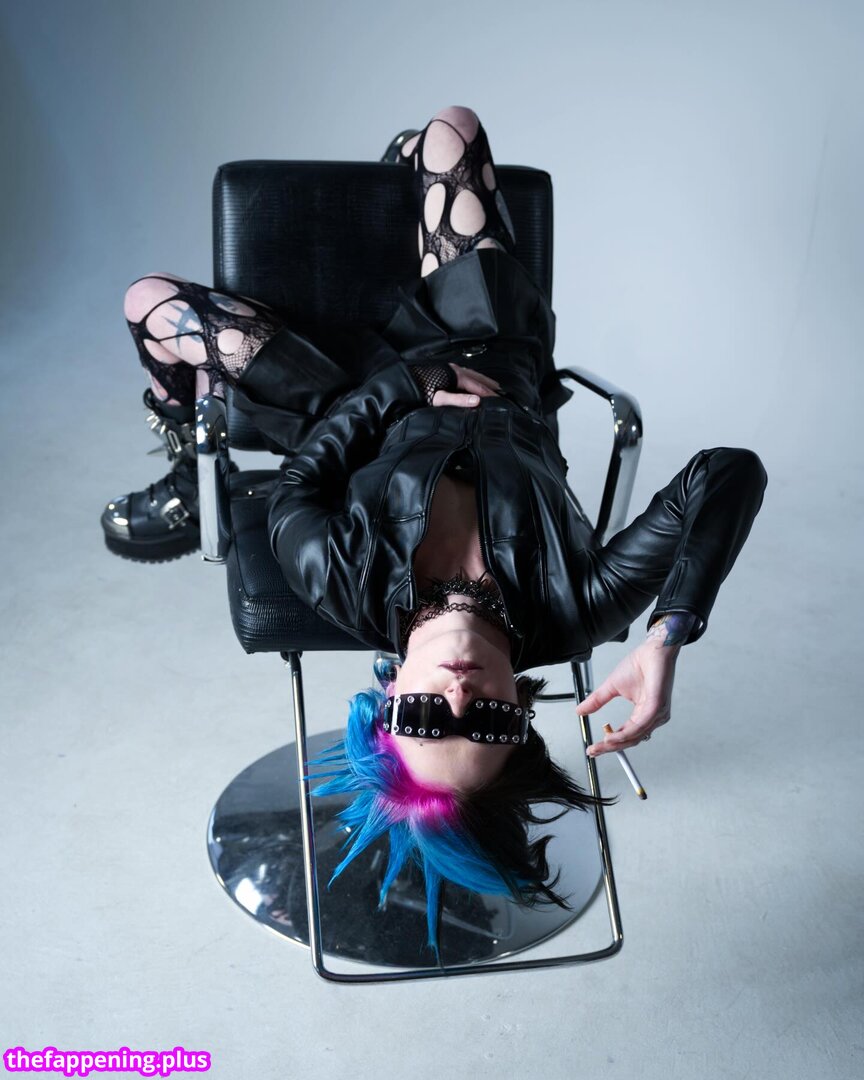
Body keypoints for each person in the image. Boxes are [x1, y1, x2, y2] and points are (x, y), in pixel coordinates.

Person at [102, 107, 767, 951]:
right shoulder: (581, 605)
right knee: (452, 127)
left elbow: (300, 484)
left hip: (343, 401)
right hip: (488, 350)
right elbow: (728, 471)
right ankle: (407, 186)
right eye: (485, 724)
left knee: (148, 303)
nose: (458, 696)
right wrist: (670, 633)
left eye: (424, 719)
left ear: (389, 702)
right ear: (520, 715)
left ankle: (185, 468)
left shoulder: (336, 578)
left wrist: (402, 390)